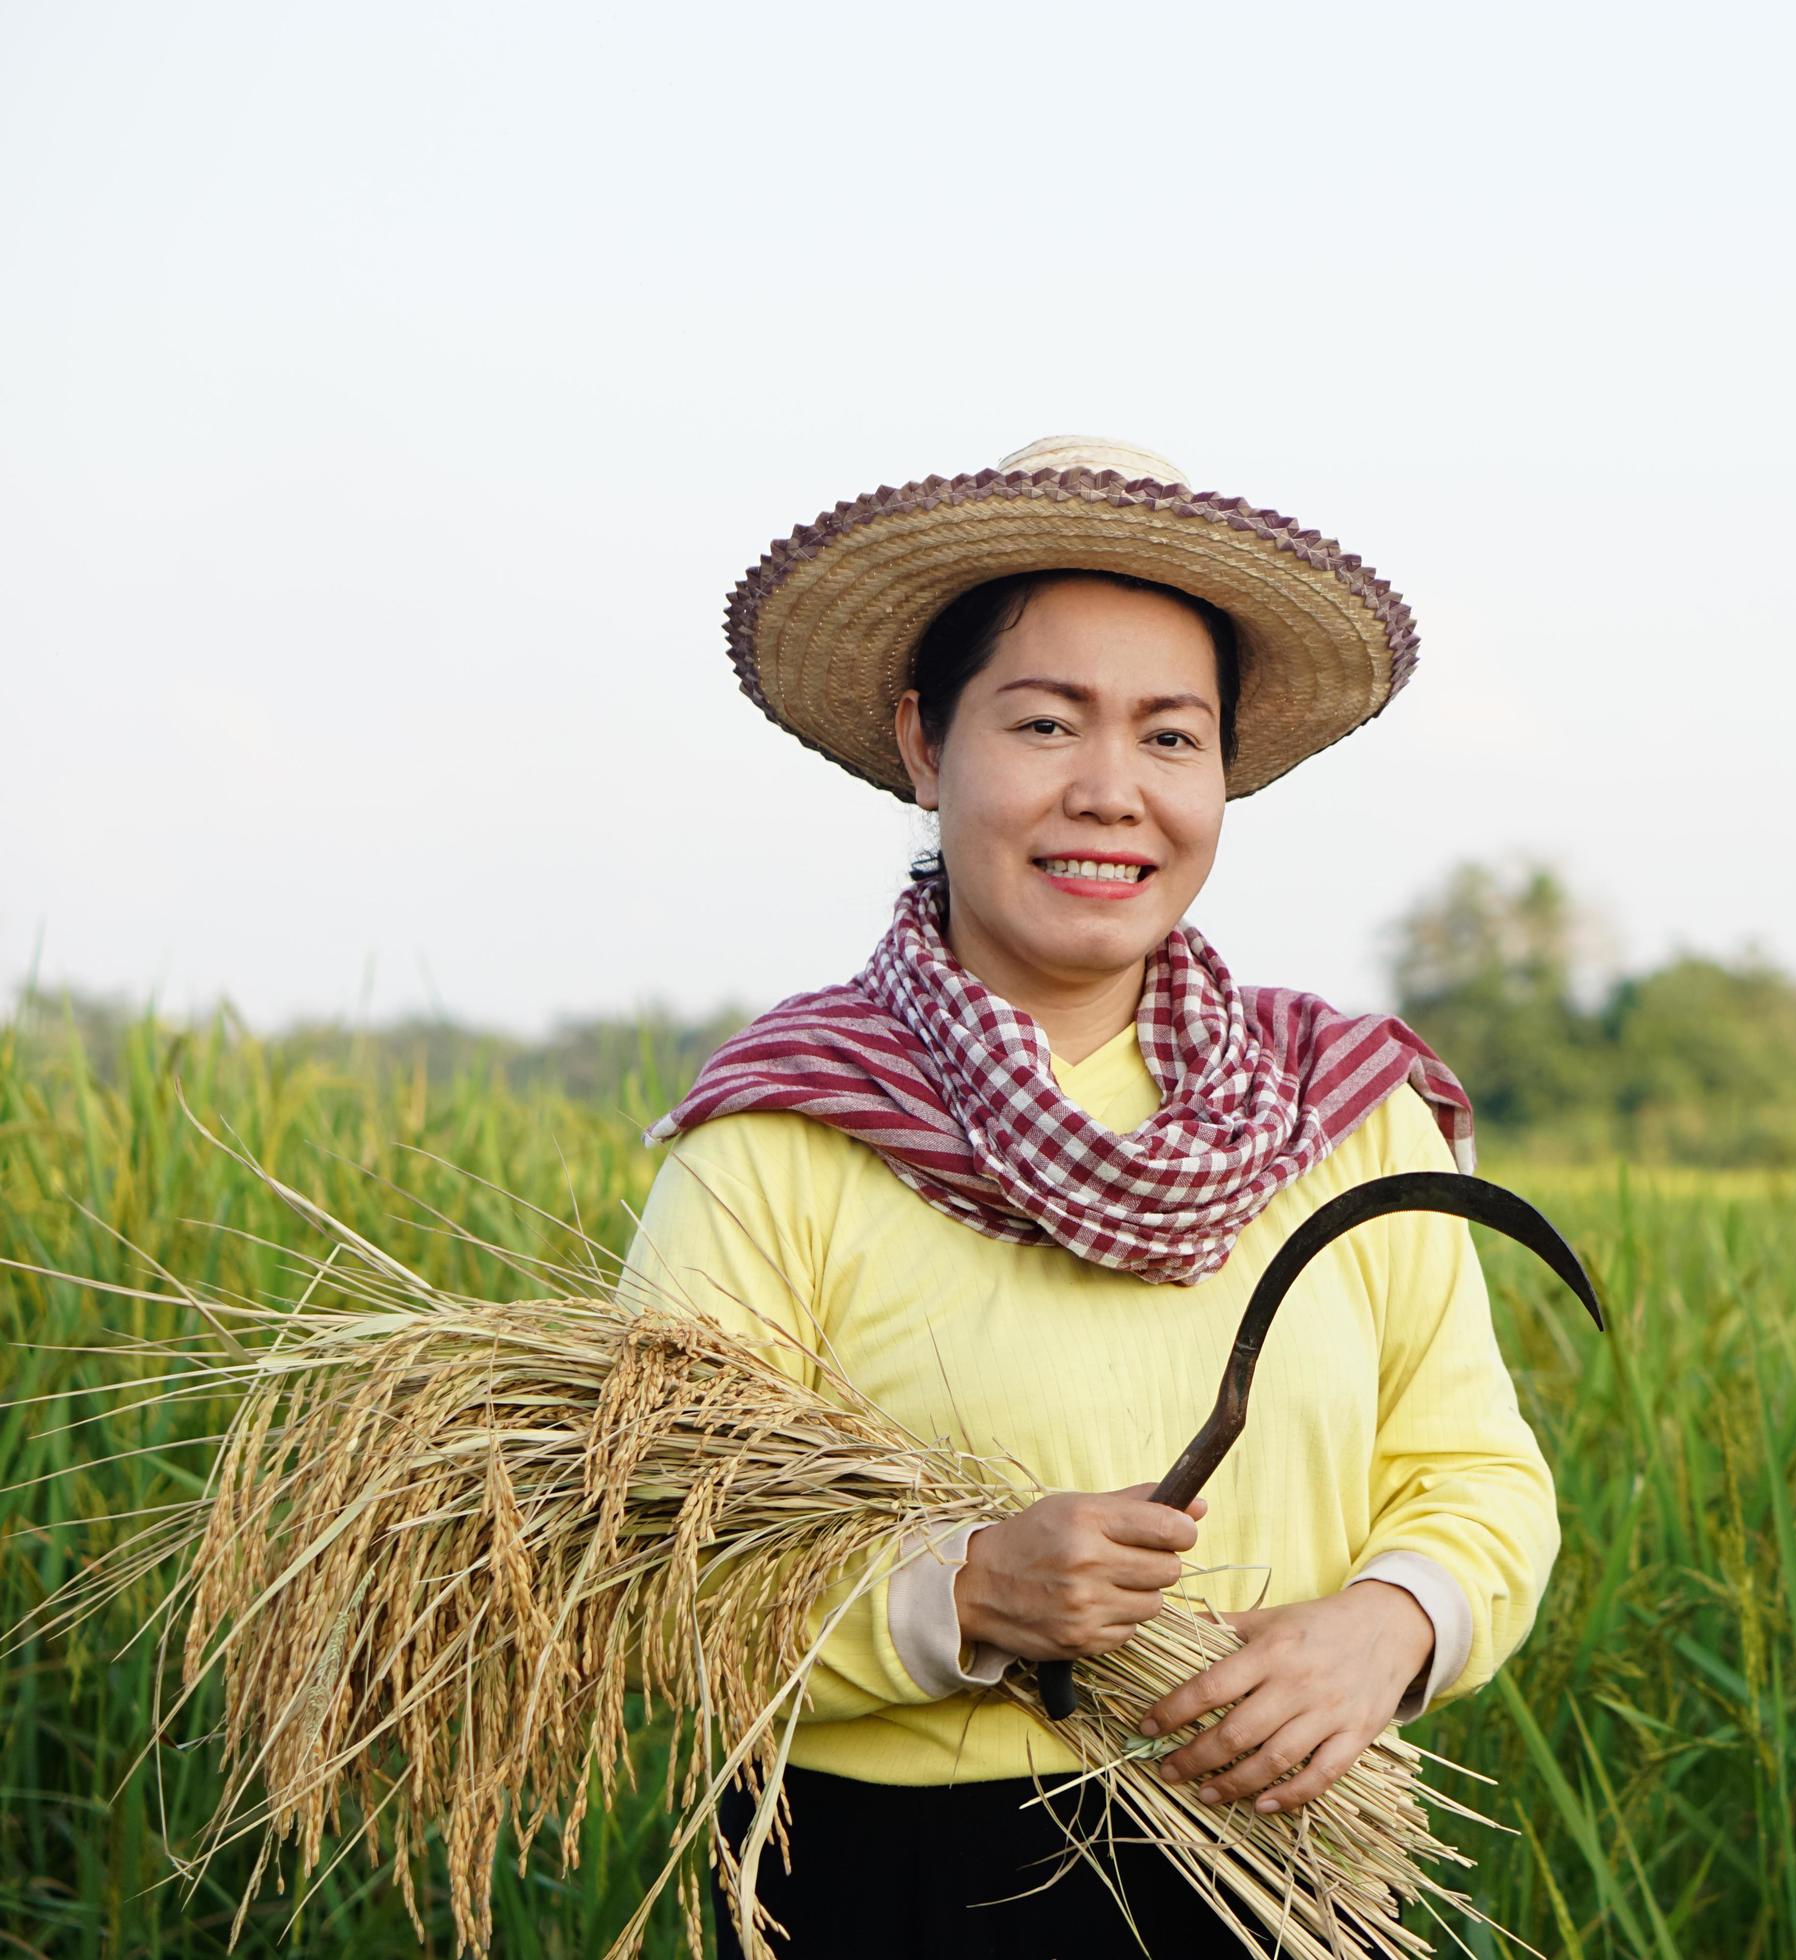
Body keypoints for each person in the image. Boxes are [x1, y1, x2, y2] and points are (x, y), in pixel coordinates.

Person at [611, 436, 1560, 1956]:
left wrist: (1388, 1627)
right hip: (888, 1885)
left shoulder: (1349, 1113)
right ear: (928, 744)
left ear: (1224, 772)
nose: (1111, 793)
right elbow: (647, 1566)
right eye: (1045, 722)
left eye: (1172, 738)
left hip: (1284, 1858)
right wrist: (963, 1595)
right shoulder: (781, 1134)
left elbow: (1479, 1476)